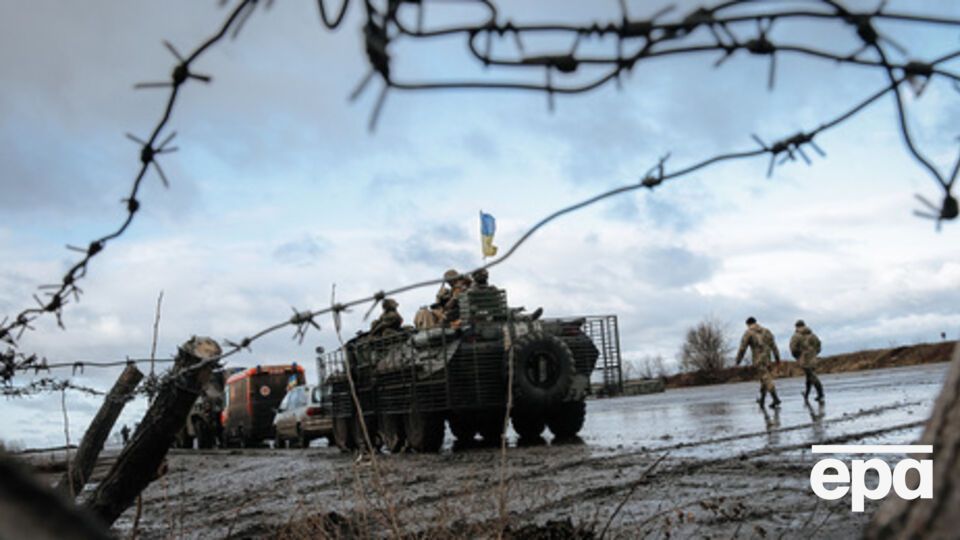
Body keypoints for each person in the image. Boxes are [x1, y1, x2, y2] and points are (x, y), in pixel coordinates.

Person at [735, 316, 782, 408]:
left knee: (766, 379)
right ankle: (762, 400)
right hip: (768, 359)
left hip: (758, 360)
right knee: (764, 379)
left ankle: (775, 398)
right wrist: (777, 358)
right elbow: (774, 346)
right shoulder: (766, 331)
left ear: (748, 324)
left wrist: (738, 360)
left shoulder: (748, 333)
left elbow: (742, 348)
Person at [790, 319, 824, 402]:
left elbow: (793, 348)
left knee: (811, 375)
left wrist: (797, 357)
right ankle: (806, 394)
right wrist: (815, 353)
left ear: (797, 327)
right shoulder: (813, 335)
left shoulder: (796, 336)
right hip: (813, 357)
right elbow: (819, 345)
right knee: (809, 376)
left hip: (804, 358)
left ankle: (820, 393)